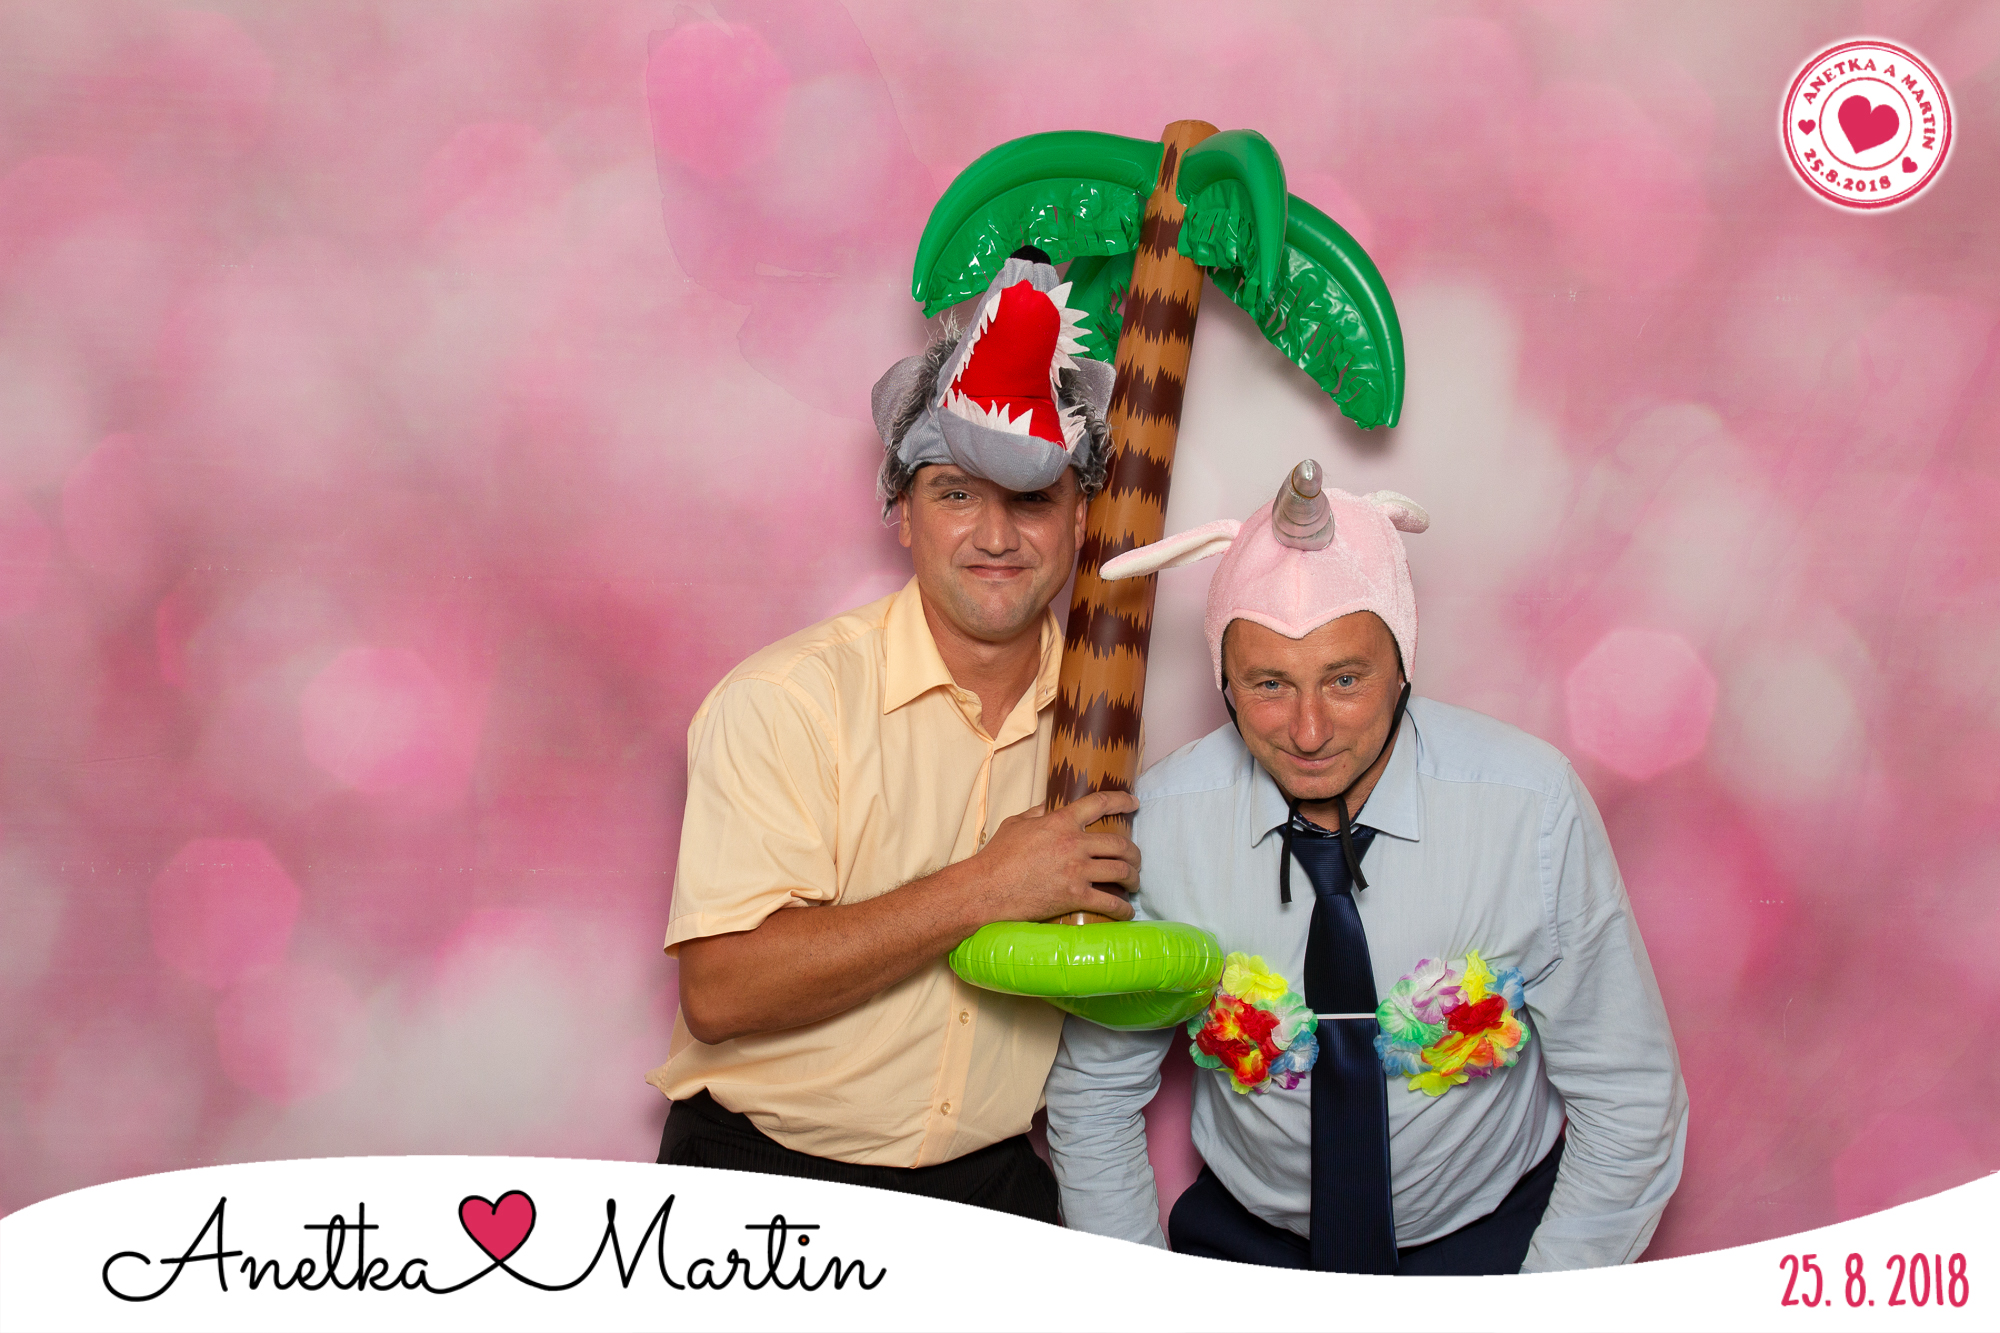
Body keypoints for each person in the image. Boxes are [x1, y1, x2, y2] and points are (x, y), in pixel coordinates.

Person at [1044, 460, 1688, 1272]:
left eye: (1345, 679)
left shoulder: (1531, 809)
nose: (1309, 730)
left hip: (1491, 1242)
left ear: (1403, 664)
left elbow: (1630, 1096)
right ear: (1224, 681)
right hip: (1250, 1248)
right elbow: (1094, 1096)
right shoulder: (1164, 823)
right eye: (1269, 683)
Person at [646, 251, 1137, 1221]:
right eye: (955, 493)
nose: (994, 536)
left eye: (1030, 499)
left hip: (992, 1190)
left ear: (1080, 517)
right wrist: (988, 887)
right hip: (766, 1180)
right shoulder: (785, 702)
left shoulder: (1103, 727)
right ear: (901, 514)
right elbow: (722, 990)